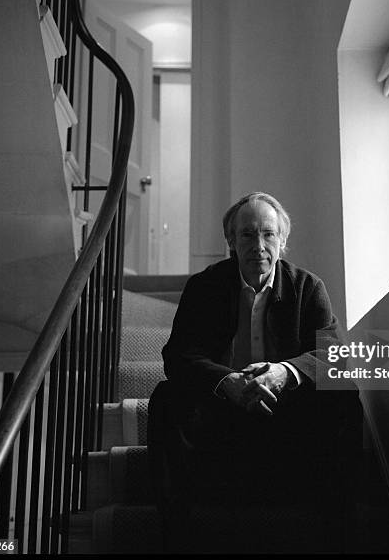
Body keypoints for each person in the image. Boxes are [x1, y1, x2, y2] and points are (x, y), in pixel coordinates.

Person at [148, 192, 363, 549]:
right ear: (231, 241)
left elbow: (335, 357)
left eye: (268, 234)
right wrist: (226, 381)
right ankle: (177, 534)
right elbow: (179, 356)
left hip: (287, 420)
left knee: (343, 398)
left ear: (282, 241)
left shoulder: (308, 287)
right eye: (247, 235)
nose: (258, 245)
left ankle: (337, 533)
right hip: (221, 418)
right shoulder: (204, 287)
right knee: (167, 400)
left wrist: (284, 372)